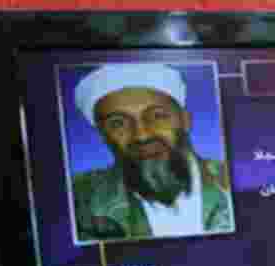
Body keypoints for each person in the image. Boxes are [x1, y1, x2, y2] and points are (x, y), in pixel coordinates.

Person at [71, 63, 233, 242]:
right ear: (103, 136)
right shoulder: (77, 198)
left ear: (185, 121)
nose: (141, 135)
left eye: (157, 116)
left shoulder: (235, 180)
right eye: (118, 123)